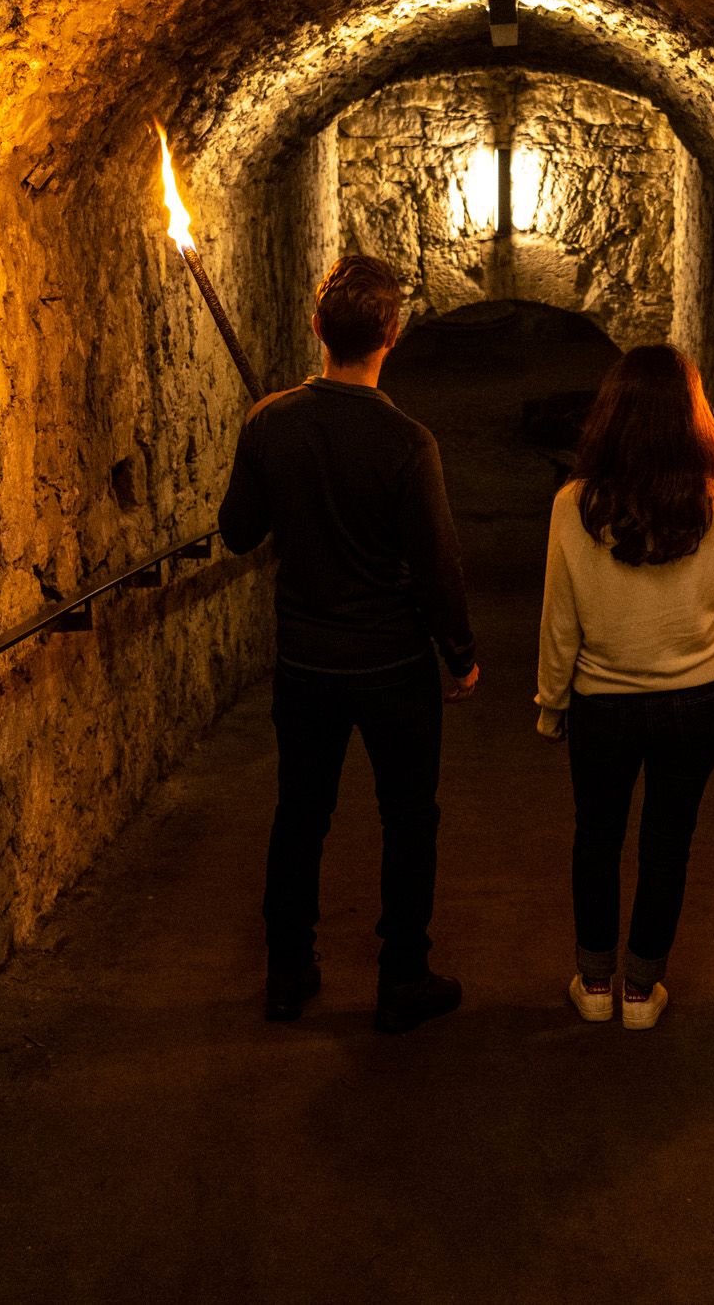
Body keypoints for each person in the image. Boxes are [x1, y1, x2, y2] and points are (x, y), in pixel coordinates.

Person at [219, 256, 480, 1034]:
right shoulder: (407, 442)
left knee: (301, 813)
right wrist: (458, 651)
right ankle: (402, 973)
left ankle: (287, 973)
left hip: (306, 663)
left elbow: (238, 531)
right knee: (408, 818)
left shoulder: (273, 422)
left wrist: (266, 454)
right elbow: (436, 560)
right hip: (394, 665)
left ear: (315, 328)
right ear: (391, 336)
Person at [534, 344, 714, 1029]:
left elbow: (559, 618)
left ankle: (594, 983)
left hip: (604, 702)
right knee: (667, 840)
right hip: (696, 702)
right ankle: (640, 990)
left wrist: (551, 702)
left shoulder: (574, 505)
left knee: (596, 837)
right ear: (694, 416)